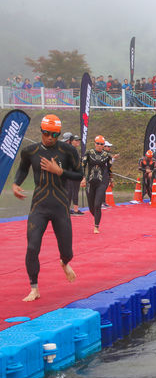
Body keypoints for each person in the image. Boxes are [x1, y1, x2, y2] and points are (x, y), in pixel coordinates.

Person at [12, 114, 82, 301]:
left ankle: (64, 262)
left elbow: (79, 175)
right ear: (41, 131)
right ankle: (34, 288)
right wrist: (16, 184)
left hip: (60, 206)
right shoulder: (30, 151)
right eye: (46, 133)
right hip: (39, 206)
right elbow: (22, 169)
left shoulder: (68, 151)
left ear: (59, 134)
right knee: (33, 247)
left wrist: (60, 172)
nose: (50, 137)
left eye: (54, 134)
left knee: (67, 251)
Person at [81, 136, 113, 234]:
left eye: (101, 144)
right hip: (90, 181)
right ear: (94, 143)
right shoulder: (89, 153)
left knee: (97, 204)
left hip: (102, 181)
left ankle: (96, 226)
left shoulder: (107, 155)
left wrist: (111, 179)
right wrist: (82, 178)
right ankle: (97, 217)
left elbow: (110, 169)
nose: (99, 146)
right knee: (91, 207)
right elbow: (82, 166)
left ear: (104, 145)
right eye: (98, 143)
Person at [61, 132, 84, 215]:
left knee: (72, 191)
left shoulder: (73, 150)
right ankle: (67, 209)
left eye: (68, 141)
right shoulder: (65, 149)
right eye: (75, 140)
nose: (77, 142)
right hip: (68, 173)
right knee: (69, 191)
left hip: (74, 173)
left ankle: (70, 209)